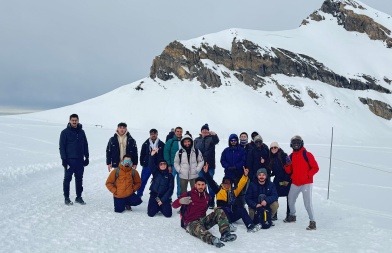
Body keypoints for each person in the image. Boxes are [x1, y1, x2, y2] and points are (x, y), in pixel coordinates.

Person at [172, 177, 237, 248]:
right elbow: (174, 205)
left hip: (202, 220)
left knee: (220, 211)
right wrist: (180, 201)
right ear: (195, 185)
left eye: (202, 185)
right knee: (199, 229)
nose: (201, 186)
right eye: (199, 184)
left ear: (205, 186)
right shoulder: (188, 195)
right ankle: (212, 239)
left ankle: (225, 233)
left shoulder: (207, 197)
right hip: (190, 223)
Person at [203, 163, 261, 233]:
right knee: (223, 208)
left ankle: (250, 226)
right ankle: (228, 226)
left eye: (228, 183)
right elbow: (211, 182)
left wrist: (245, 175)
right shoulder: (218, 190)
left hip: (231, 215)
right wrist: (206, 173)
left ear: (231, 184)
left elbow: (241, 184)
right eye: (225, 183)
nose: (227, 184)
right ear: (222, 183)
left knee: (242, 210)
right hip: (222, 216)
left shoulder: (233, 191)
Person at [284, 135, 319, 230]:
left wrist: (308, 175)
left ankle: (312, 221)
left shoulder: (307, 155)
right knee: (290, 200)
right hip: (295, 183)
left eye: (297, 143)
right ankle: (292, 216)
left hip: (306, 183)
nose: (296, 145)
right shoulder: (290, 156)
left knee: (307, 203)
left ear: (301, 144)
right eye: (294, 143)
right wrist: (287, 165)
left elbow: (315, 168)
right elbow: (288, 171)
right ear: (291, 145)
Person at [59, 114, 89, 205]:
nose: (74, 122)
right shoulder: (64, 132)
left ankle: (78, 197)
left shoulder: (81, 132)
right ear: (69, 121)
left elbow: (85, 145)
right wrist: (64, 159)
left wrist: (87, 157)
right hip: (69, 160)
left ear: (78, 121)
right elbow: (62, 147)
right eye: (73, 120)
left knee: (79, 179)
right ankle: (66, 198)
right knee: (67, 179)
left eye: (76, 120)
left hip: (80, 160)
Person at [194, 123, 220, 209]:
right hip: (199, 165)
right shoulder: (196, 140)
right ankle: (202, 199)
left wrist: (215, 135)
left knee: (209, 182)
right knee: (201, 182)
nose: (204, 131)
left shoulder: (211, 139)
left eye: (206, 130)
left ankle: (211, 199)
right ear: (201, 131)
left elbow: (216, 141)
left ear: (208, 131)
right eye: (203, 130)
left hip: (209, 165)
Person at [220, 133, 247, 207]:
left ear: (237, 141)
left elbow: (243, 160)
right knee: (227, 190)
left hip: (238, 174)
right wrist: (227, 166)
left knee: (239, 191)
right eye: (231, 140)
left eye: (235, 140)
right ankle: (227, 205)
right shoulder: (226, 151)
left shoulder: (242, 150)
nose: (233, 142)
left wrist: (236, 166)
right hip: (228, 174)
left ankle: (240, 206)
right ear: (229, 141)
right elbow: (222, 160)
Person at [137, 128, 165, 198]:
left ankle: (158, 195)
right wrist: (142, 162)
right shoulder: (146, 144)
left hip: (158, 166)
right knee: (143, 181)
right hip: (147, 165)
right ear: (150, 135)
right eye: (152, 134)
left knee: (158, 181)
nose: (153, 135)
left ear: (157, 134)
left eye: (154, 134)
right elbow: (142, 154)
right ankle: (139, 195)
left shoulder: (161, 144)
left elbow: (164, 154)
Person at [268, 141, 291, 221]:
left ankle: (289, 215)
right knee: (274, 196)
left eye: (275, 147)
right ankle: (274, 214)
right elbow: (275, 169)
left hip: (286, 179)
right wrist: (271, 174)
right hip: (277, 179)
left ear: (278, 148)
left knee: (289, 198)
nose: (273, 149)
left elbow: (289, 168)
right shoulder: (271, 157)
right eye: (272, 148)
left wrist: (287, 179)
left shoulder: (284, 156)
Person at [147, 148, 174, 217]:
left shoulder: (170, 176)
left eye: (164, 164)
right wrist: (152, 155)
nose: (163, 165)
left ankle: (162, 206)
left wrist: (162, 200)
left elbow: (170, 189)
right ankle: (157, 207)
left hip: (164, 196)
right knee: (151, 214)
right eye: (161, 164)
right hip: (154, 195)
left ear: (166, 165)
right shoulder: (156, 172)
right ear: (159, 166)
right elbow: (150, 164)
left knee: (168, 214)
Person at [164, 126, 183, 198]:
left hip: (182, 166)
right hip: (172, 166)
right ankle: (168, 197)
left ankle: (179, 197)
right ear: (175, 132)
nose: (179, 133)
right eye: (177, 131)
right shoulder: (170, 141)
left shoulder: (184, 141)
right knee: (170, 183)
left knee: (180, 183)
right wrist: (168, 165)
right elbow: (166, 152)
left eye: (180, 132)